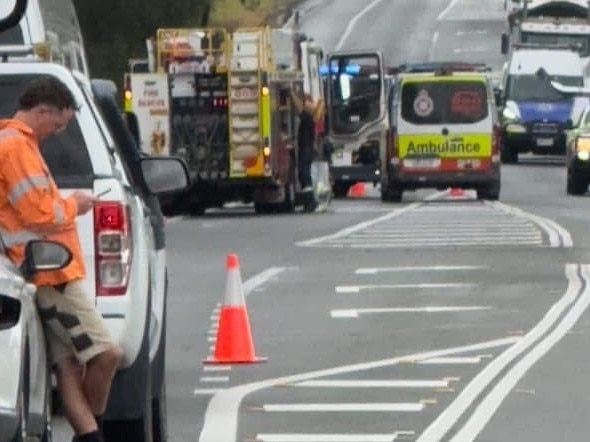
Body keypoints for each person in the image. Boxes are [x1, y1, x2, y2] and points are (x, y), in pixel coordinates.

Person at [0, 77, 123, 442]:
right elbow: (40, 213)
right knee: (107, 353)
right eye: (58, 124)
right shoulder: (16, 148)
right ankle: (92, 430)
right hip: (50, 274)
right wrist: (76, 206)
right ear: (42, 111)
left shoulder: (18, 143)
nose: (59, 131)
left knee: (67, 367)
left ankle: (87, 435)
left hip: (40, 272)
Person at [290, 89, 318, 212]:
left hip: (306, 150)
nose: (306, 103)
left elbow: (299, 108)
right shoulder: (309, 118)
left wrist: (291, 93)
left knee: (304, 174)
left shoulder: (308, 118)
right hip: (306, 149)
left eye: (307, 101)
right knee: (304, 175)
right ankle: (310, 201)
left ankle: (310, 201)